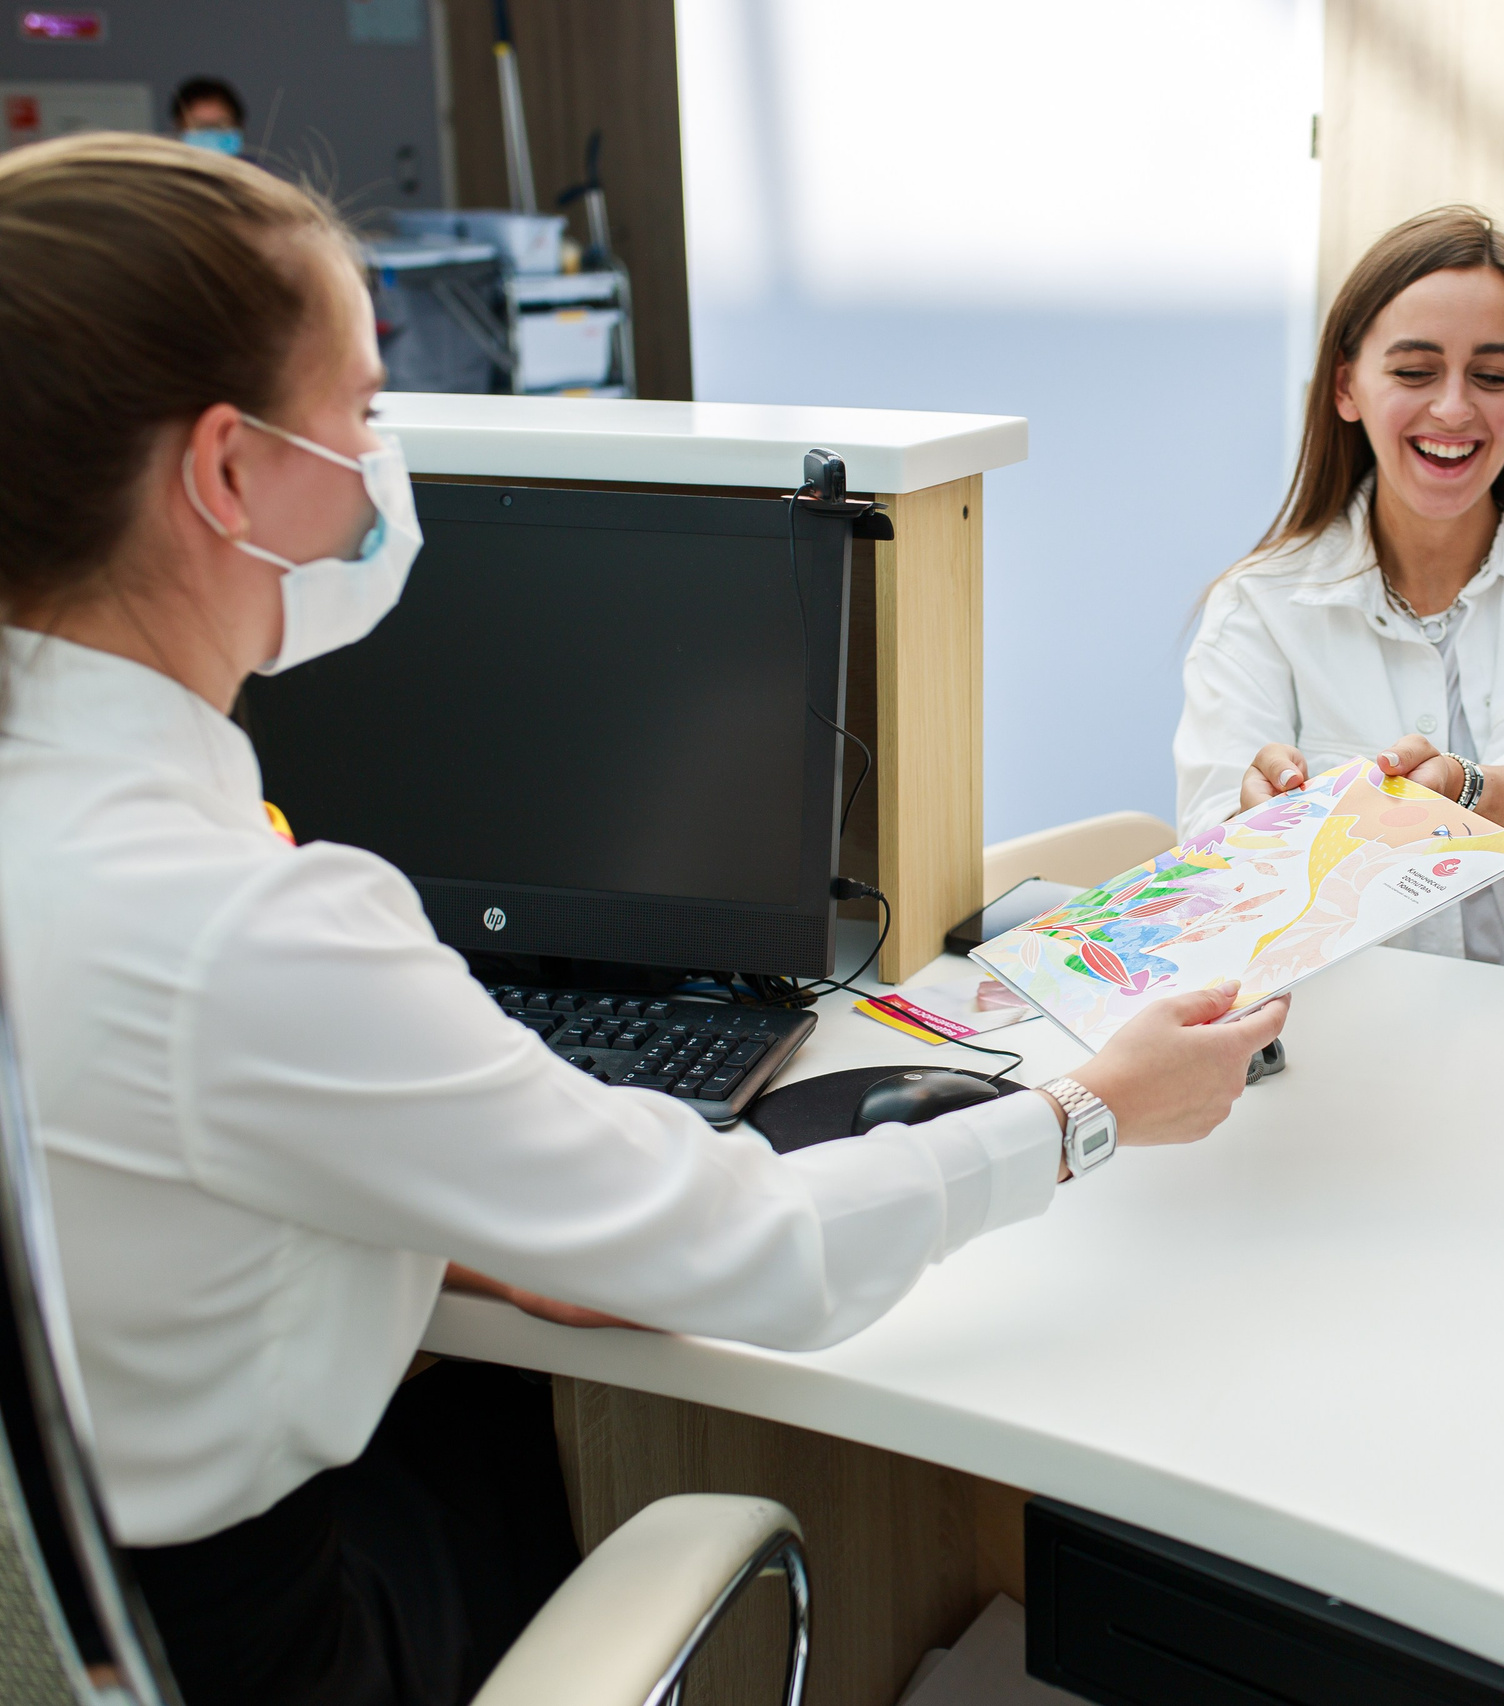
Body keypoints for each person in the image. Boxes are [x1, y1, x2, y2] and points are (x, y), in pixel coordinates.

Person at [0, 133, 1289, 1706]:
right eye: (357, 412)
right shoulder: (246, 931)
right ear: (223, 472)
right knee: (483, 1429)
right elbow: (756, 1257)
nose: (382, 460)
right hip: (243, 1651)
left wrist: (457, 1210)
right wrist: (1090, 1112)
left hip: (64, 1616)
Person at [1175, 206, 1504, 996]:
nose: (1452, 409)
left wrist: (1463, 792)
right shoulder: (1258, 605)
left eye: (1491, 376)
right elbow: (1212, 860)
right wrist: (1257, 822)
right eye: (1415, 372)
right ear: (1347, 385)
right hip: (1360, 1027)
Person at [170, 75, 246, 155]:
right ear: (177, 128)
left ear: (239, 126)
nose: (210, 132)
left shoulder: (255, 167)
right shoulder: (162, 167)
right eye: (199, 126)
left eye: (221, 125)